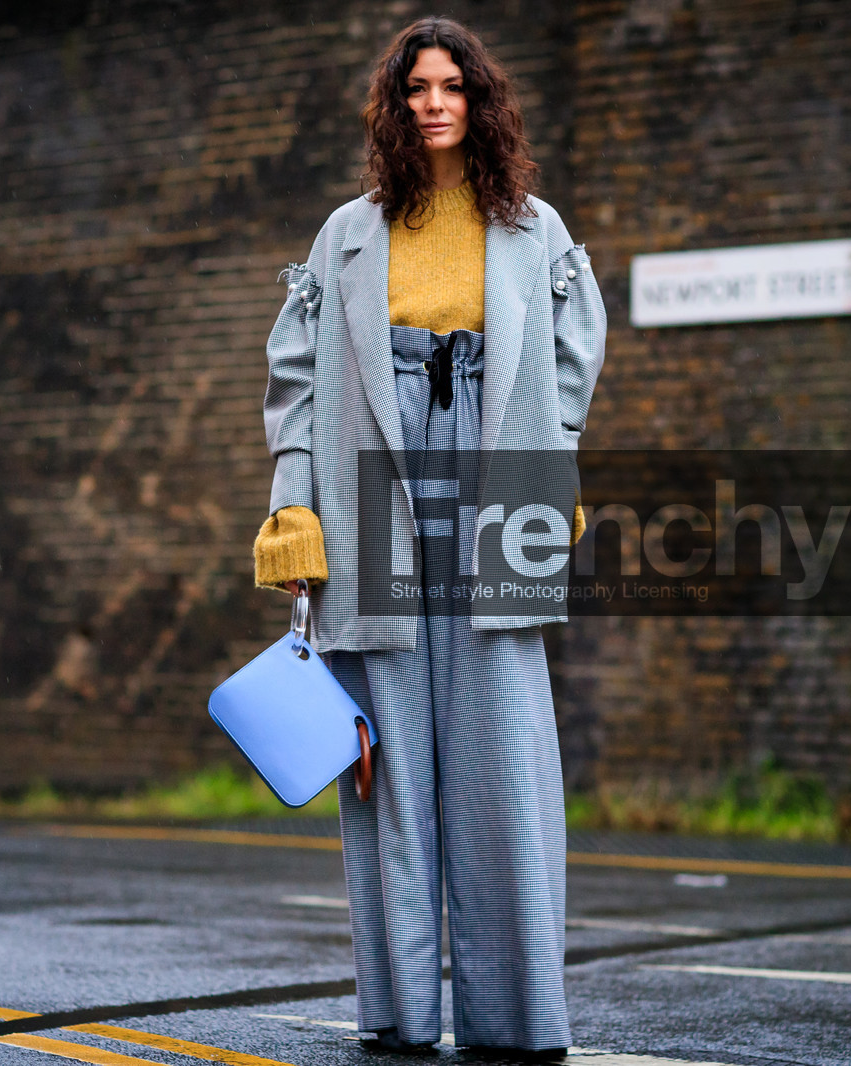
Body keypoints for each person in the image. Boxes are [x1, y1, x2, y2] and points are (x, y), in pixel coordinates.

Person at [252, 15, 605, 1060]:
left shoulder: (533, 228)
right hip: (374, 472)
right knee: (390, 764)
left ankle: (516, 1021)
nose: (436, 101)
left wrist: (553, 459)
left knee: (505, 756)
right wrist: (294, 506)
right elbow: (297, 378)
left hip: (499, 470)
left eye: (453, 85)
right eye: (417, 87)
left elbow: (577, 349)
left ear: (480, 99)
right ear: (395, 105)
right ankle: (402, 1013)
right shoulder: (344, 233)